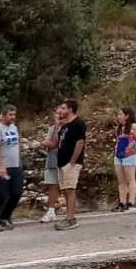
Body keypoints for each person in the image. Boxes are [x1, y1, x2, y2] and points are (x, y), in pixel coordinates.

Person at [0, 105, 24, 231]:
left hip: (15, 166)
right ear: (3, 115)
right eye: (10, 115)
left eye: (14, 115)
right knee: (1, 194)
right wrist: (1, 166)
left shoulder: (14, 128)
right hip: (3, 167)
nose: (13, 117)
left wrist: (19, 163)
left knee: (17, 192)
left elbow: (16, 147)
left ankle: (5, 216)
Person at [54, 98, 87, 231]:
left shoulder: (78, 124)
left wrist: (72, 161)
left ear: (70, 109)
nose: (60, 111)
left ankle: (71, 218)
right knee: (66, 190)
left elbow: (80, 143)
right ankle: (69, 216)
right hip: (62, 163)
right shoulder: (65, 125)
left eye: (63, 108)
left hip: (71, 163)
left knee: (70, 189)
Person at [114, 107, 136, 212]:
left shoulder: (134, 127)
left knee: (130, 179)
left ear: (127, 116)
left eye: (120, 114)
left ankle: (131, 202)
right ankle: (122, 202)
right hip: (118, 155)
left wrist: (133, 150)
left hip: (130, 155)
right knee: (121, 181)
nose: (119, 116)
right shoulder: (119, 128)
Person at [40, 114, 63, 224]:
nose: (58, 116)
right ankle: (51, 212)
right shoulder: (52, 129)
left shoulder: (69, 128)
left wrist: (50, 143)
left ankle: (70, 213)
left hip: (65, 162)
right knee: (52, 186)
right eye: (57, 114)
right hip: (52, 161)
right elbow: (49, 143)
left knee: (68, 187)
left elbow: (53, 143)